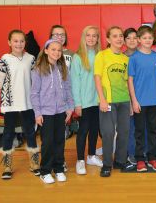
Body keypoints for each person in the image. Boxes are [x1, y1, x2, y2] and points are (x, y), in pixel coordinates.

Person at [0, 29, 40, 180]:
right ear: (9, 42)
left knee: (30, 132)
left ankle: (34, 162)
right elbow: (0, 83)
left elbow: (35, 80)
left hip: (28, 102)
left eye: (22, 41)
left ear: (25, 43)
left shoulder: (31, 59)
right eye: (15, 41)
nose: (19, 44)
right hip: (11, 104)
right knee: (8, 132)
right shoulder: (4, 59)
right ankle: (7, 164)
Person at [31, 39, 74, 184]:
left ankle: (59, 168)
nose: (56, 52)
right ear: (46, 51)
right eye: (53, 49)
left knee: (60, 141)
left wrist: (70, 107)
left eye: (59, 50)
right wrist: (37, 113)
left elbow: (68, 89)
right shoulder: (38, 69)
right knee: (48, 143)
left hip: (61, 111)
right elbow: (34, 93)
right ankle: (45, 171)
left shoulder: (63, 68)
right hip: (46, 113)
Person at [94, 26, 133, 177]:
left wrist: (129, 102)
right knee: (108, 133)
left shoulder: (125, 59)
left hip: (123, 100)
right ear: (108, 39)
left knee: (124, 132)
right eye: (115, 36)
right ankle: (107, 164)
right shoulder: (102, 55)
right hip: (108, 102)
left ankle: (120, 161)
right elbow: (97, 78)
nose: (119, 39)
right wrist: (102, 100)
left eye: (120, 36)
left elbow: (126, 82)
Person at [128, 26, 156, 172]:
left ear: (153, 39)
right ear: (139, 40)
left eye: (150, 38)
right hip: (140, 103)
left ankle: (152, 158)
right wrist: (134, 101)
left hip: (154, 101)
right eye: (144, 38)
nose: (147, 40)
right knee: (140, 131)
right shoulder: (134, 58)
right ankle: (140, 159)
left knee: (154, 130)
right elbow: (130, 81)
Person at [71, 26, 103, 175]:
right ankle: (80, 160)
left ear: (97, 38)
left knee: (95, 130)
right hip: (84, 102)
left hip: (98, 101)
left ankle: (91, 156)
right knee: (83, 131)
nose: (91, 38)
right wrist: (77, 103)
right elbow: (75, 82)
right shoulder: (77, 57)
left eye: (94, 36)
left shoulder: (100, 55)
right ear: (84, 38)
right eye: (88, 36)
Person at [49, 25, 75, 171]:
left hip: (65, 99)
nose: (59, 37)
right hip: (49, 102)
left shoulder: (72, 54)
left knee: (61, 134)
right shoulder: (45, 54)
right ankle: (49, 161)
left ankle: (60, 161)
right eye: (56, 34)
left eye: (62, 34)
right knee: (49, 135)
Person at [123, 28, 138, 165]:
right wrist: (129, 101)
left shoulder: (144, 55)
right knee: (131, 128)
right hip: (128, 98)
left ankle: (143, 153)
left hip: (144, 97)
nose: (132, 40)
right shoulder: (122, 58)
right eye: (129, 38)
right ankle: (131, 154)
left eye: (135, 37)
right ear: (124, 40)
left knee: (143, 127)